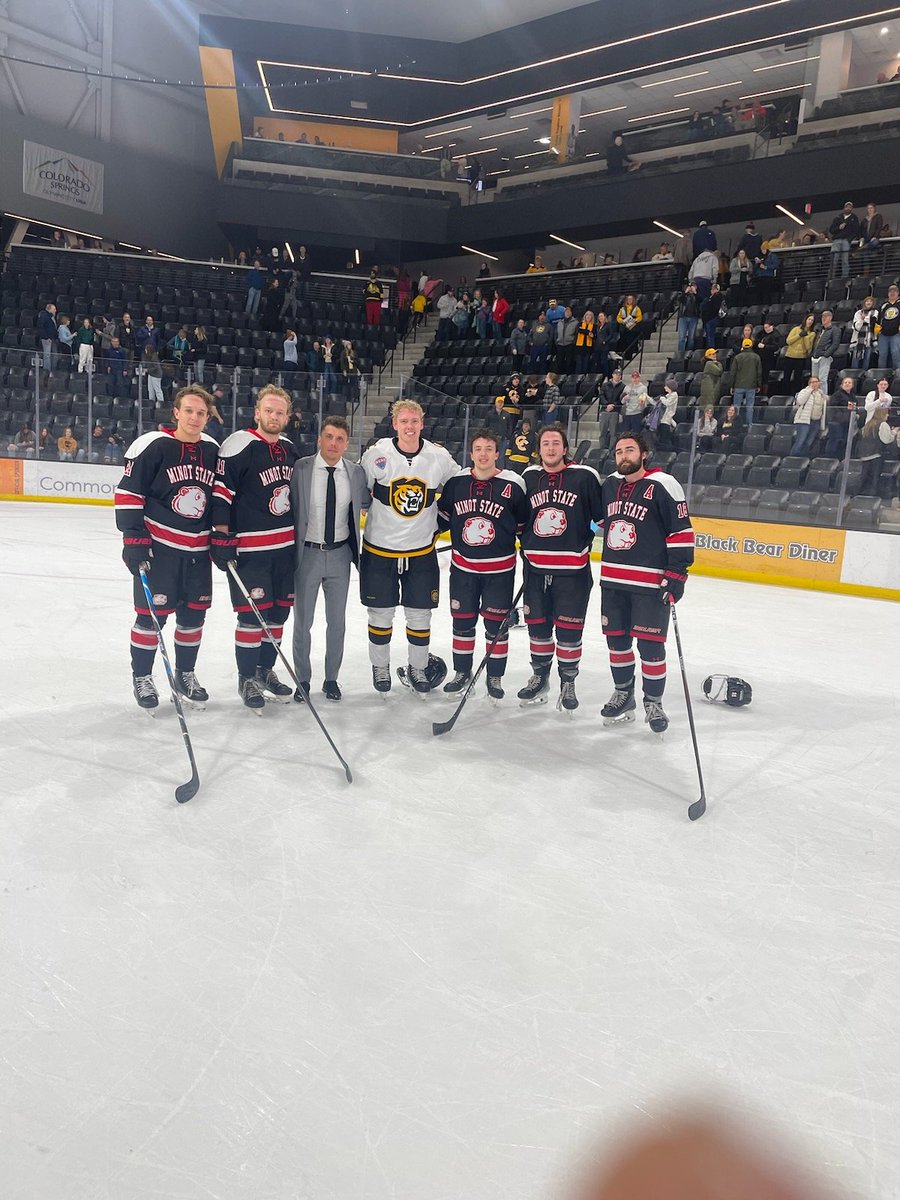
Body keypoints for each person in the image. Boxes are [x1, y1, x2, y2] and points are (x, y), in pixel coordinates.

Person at [114, 386, 219, 711]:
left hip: (198, 552)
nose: (195, 417)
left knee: (193, 617)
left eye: (201, 413)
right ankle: (142, 677)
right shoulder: (152, 445)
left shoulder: (214, 450)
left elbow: (221, 498)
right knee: (150, 618)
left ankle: (185, 674)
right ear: (176, 412)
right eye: (189, 410)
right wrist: (133, 537)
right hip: (159, 550)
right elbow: (129, 492)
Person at [597, 430, 694, 735]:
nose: (623, 456)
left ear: (643, 454)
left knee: (651, 648)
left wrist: (676, 576)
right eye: (618, 452)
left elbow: (681, 533)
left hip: (650, 585)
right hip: (612, 581)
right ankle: (624, 694)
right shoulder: (610, 485)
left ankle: (653, 702)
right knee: (617, 644)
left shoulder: (664, 484)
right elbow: (600, 522)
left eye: (629, 450)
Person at [359, 399, 458, 694]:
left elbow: (459, 487)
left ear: (422, 423)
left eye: (414, 421)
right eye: (404, 421)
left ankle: (418, 668)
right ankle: (381, 668)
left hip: (420, 552)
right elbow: (358, 492)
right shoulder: (377, 454)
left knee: (419, 615)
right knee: (380, 614)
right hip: (379, 549)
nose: (410, 426)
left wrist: (442, 522)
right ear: (395, 424)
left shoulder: (438, 457)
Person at [210, 385, 298, 709]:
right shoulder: (239, 444)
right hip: (250, 552)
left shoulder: (289, 449)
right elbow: (221, 494)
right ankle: (246, 678)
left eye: (280, 412)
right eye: (269, 411)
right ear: (257, 412)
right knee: (251, 618)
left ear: (287, 417)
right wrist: (221, 536)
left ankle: (265, 671)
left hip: (285, 550)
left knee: (277, 616)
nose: (274, 417)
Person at [517, 424, 603, 712]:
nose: (551, 448)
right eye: (545, 444)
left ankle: (568, 681)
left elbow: (602, 518)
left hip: (573, 572)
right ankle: (540, 677)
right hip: (536, 570)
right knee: (537, 629)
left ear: (565, 449)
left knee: (569, 631)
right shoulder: (528, 476)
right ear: (539, 449)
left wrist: (583, 539)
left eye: (556, 443)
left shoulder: (585, 477)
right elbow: (518, 518)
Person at [437, 430, 529, 699]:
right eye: (478, 448)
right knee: (462, 623)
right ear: (471, 453)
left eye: (489, 448)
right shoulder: (457, 483)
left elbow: (523, 526)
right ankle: (462, 672)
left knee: (495, 627)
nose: (483, 454)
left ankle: (495, 677)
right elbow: (442, 518)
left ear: (497, 453)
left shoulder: (513, 484)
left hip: (499, 572)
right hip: (464, 570)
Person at [289, 415, 368, 703]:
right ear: (319, 439)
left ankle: (331, 679)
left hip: (339, 556)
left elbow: (371, 505)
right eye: (329, 437)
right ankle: (303, 679)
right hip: (307, 554)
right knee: (303, 622)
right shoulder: (301, 469)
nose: (333, 443)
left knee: (337, 622)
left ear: (347, 444)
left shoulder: (356, 473)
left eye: (340, 439)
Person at [857, 408, 894, 495]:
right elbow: (886, 439)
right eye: (886, 413)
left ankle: (861, 496)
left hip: (864, 454)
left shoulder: (868, 424)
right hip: (876, 454)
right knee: (874, 478)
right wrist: (894, 433)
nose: (888, 415)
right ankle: (872, 496)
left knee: (864, 477)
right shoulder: (883, 424)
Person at [792, 376, 827, 456]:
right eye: (812, 382)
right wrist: (810, 390)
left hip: (816, 422)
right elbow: (800, 401)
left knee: (809, 442)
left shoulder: (821, 394)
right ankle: (792, 459)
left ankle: (802, 458)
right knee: (800, 441)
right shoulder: (804, 391)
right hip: (804, 421)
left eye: (816, 382)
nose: (814, 384)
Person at [730, 338, 762, 425]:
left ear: (742, 346)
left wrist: (732, 386)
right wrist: (759, 385)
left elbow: (733, 373)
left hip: (738, 385)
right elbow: (759, 372)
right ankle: (749, 425)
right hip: (751, 386)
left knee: (736, 407)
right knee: (750, 406)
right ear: (751, 345)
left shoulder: (737, 357)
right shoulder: (756, 357)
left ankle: (735, 424)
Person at [782, 314, 817, 394]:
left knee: (797, 378)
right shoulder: (796, 329)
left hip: (801, 358)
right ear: (805, 320)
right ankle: (784, 394)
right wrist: (799, 335)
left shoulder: (812, 333)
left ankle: (795, 395)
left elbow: (808, 347)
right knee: (786, 377)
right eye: (809, 319)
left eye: (812, 320)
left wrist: (805, 336)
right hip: (789, 356)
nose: (810, 321)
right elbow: (788, 341)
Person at [825, 376, 857, 459]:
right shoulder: (837, 395)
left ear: (852, 385)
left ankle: (840, 458)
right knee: (835, 440)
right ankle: (829, 458)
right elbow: (833, 408)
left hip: (847, 423)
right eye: (845, 382)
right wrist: (842, 417)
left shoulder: (852, 397)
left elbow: (853, 409)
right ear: (841, 385)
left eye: (849, 382)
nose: (847, 384)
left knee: (844, 441)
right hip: (836, 422)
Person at [810, 310, 840, 393]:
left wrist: (826, 354)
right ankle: (815, 398)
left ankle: (823, 399)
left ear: (830, 318)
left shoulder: (835, 330)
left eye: (825, 316)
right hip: (815, 356)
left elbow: (835, 344)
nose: (823, 318)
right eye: (822, 317)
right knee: (814, 379)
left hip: (824, 357)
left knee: (822, 379)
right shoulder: (819, 329)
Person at [827, 202, 859, 277]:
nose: (848, 208)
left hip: (846, 241)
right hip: (836, 240)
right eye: (847, 207)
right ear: (844, 208)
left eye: (850, 207)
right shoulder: (838, 217)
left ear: (852, 209)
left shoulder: (854, 218)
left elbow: (856, 231)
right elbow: (831, 230)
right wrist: (839, 227)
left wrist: (849, 239)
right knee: (834, 260)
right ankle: (831, 277)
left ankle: (844, 278)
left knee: (845, 260)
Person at [598, 368, 625, 451]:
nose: (618, 376)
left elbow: (621, 399)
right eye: (616, 374)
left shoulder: (623, 386)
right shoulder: (605, 385)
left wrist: (613, 405)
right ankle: (601, 448)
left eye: (619, 375)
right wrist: (607, 405)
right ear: (612, 375)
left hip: (615, 411)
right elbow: (601, 395)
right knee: (603, 432)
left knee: (614, 433)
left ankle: (611, 449)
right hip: (605, 410)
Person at [850, 295, 878, 371]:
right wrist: (862, 320)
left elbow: (873, 322)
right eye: (867, 301)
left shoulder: (875, 312)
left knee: (867, 359)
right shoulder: (858, 313)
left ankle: (863, 375)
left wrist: (864, 318)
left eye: (870, 301)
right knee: (856, 359)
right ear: (864, 303)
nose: (868, 302)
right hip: (858, 340)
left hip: (869, 340)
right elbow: (856, 327)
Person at [876, 284, 900, 370]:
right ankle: (881, 376)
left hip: (896, 334)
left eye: (895, 291)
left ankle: (897, 375)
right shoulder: (883, 305)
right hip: (883, 334)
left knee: (896, 353)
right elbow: (878, 318)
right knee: (882, 355)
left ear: (898, 293)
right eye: (890, 291)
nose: (892, 293)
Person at [755, 319, 783, 392]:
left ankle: (764, 391)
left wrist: (765, 346)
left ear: (772, 326)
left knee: (765, 376)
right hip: (760, 357)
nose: (766, 329)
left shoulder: (776, 335)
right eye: (765, 328)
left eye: (768, 327)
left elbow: (776, 347)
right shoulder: (762, 333)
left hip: (769, 358)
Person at [615, 294, 643, 359]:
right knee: (624, 342)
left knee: (632, 342)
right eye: (628, 299)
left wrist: (635, 320)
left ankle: (631, 355)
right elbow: (618, 317)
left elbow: (640, 317)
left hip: (633, 327)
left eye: (631, 299)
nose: (629, 300)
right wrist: (622, 321)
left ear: (633, 300)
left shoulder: (637, 308)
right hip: (624, 328)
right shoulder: (622, 309)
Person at [677, 283, 699, 355]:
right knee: (682, 337)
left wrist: (695, 293)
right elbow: (680, 300)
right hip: (683, 317)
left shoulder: (697, 296)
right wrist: (685, 292)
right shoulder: (684, 296)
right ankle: (681, 354)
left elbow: (700, 301)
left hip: (693, 318)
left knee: (691, 338)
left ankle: (689, 353)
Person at [36, 303, 57, 373]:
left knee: (54, 355)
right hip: (47, 339)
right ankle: (47, 371)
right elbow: (41, 328)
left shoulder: (51, 317)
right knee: (47, 355)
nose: (55, 310)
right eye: (54, 309)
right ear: (49, 309)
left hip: (53, 338)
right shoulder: (44, 316)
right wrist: (46, 337)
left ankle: (53, 370)